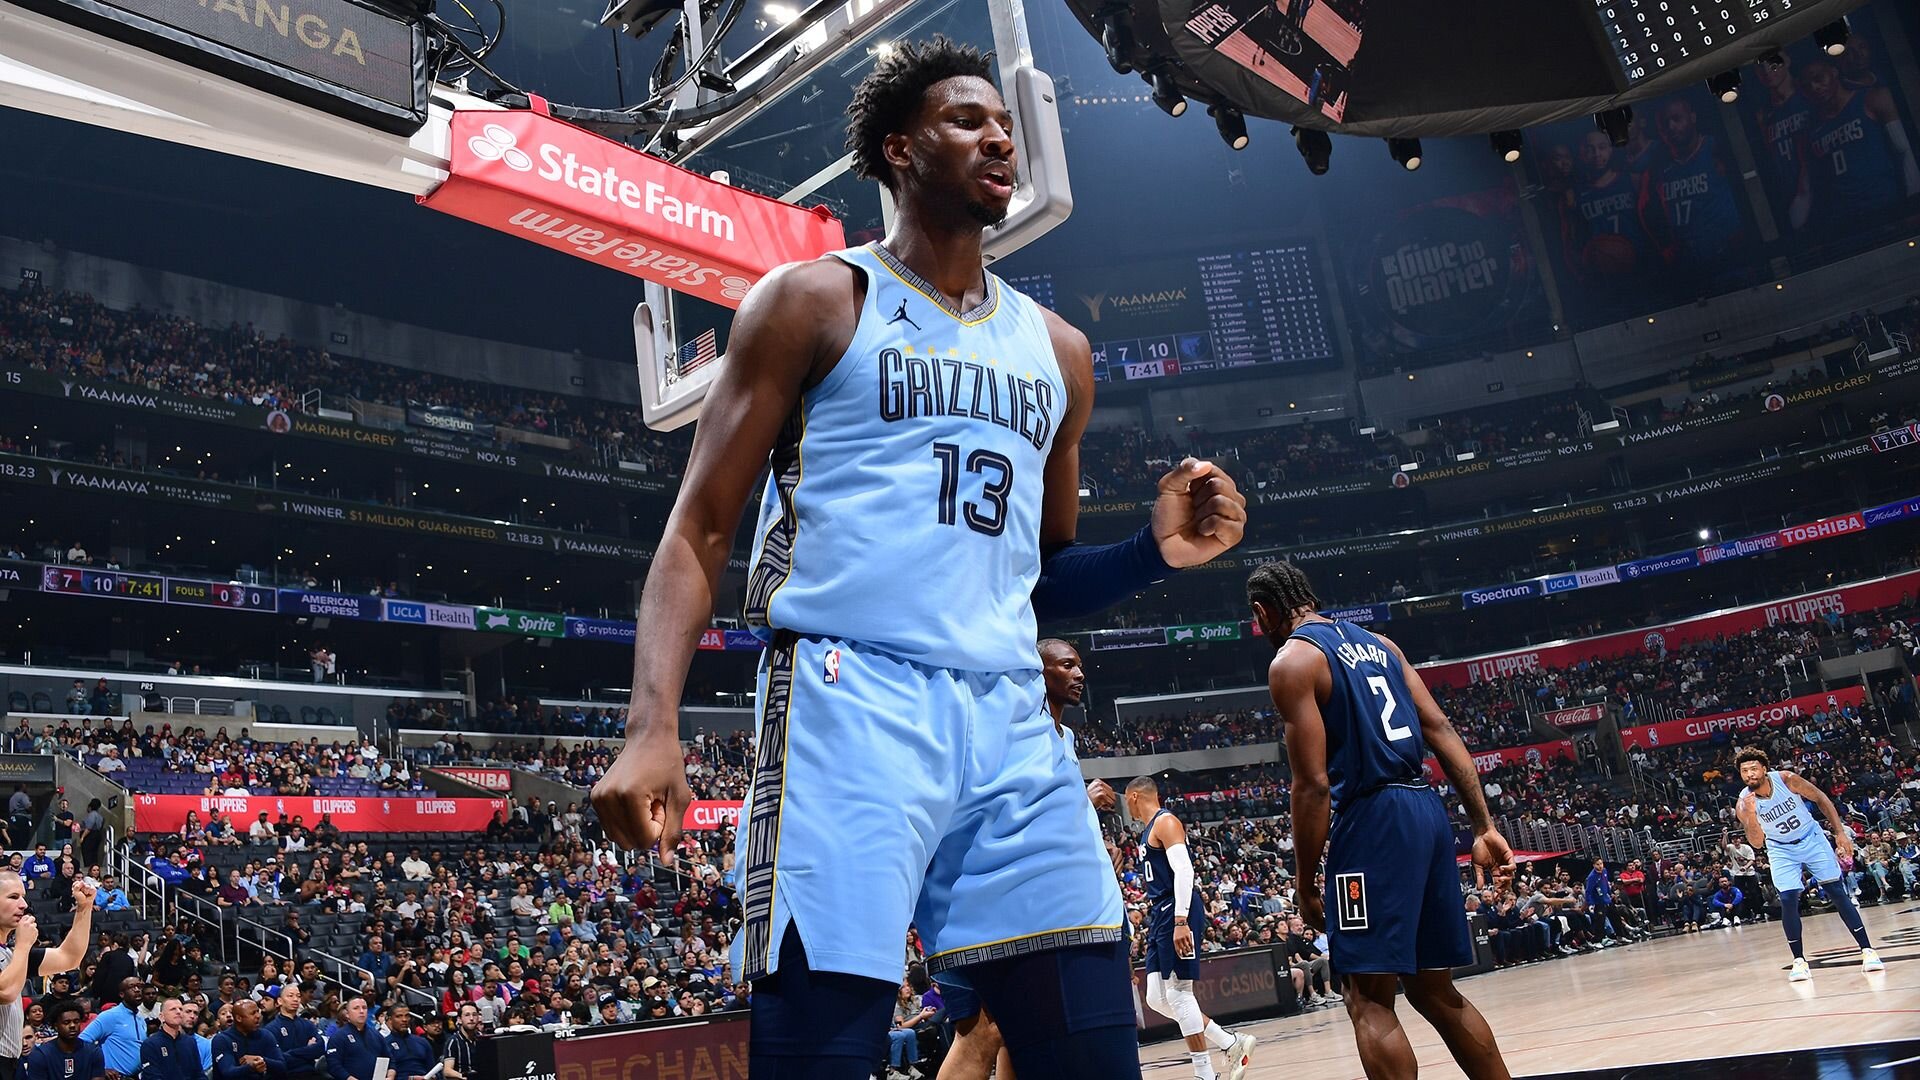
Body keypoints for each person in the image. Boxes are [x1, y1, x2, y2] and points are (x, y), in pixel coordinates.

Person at [587, 35, 1246, 1078]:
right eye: (966, 119)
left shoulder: (1060, 354)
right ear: (899, 149)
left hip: (1009, 719)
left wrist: (1154, 553)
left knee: (1090, 1049)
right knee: (822, 1054)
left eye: (1004, 124)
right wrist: (650, 723)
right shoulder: (813, 302)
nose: (998, 136)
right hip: (847, 703)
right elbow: (700, 527)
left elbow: (1038, 579)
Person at [1253, 561, 1514, 1080]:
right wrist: (1483, 825)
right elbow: (1439, 727)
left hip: (1373, 823)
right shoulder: (1383, 646)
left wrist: (1305, 882)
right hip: (1426, 809)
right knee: (1435, 989)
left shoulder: (1293, 662)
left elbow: (1312, 785)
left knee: (1367, 996)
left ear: (1263, 613)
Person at [936, 638, 1123, 1080]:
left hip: (1032, 910)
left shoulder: (1067, 737)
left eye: (1079, 666)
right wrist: (1082, 794)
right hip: (978, 905)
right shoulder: (1010, 731)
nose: (1078, 674)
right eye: (1065, 665)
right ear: (1036, 673)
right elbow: (1006, 808)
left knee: (1013, 1031)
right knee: (981, 1032)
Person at [1123, 778, 1255, 1080]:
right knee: (1157, 998)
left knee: (1180, 993)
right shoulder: (1147, 830)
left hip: (1176, 909)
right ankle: (1230, 1042)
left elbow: (1184, 870)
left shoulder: (1165, 821)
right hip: (1161, 912)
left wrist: (1181, 921)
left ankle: (1205, 1074)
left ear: (1133, 796)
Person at [1733, 747, 1883, 982]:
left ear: (1764, 768)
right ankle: (1799, 961)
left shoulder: (1786, 780)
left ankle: (1867, 950)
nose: (1750, 774)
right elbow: (1756, 842)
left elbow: (1821, 798)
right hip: (1780, 847)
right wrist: (1752, 815)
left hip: (1811, 838)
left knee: (1836, 890)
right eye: (1744, 771)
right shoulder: (1744, 803)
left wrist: (1840, 833)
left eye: (1754, 768)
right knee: (1788, 898)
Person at [0, 874, 96, 1080]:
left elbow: (69, 957)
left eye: (23, 897)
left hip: (10, 1061)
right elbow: (5, 992)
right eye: (13, 897)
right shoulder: (18, 951)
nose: (23, 904)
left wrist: (84, 908)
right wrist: (23, 945)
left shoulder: (11, 953)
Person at [77, 978, 145, 1079]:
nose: (137, 990)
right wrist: (99, 1069)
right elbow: (82, 1041)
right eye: (132, 987)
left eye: (139, 986)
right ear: (122, 994)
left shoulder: (141, 1018)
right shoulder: (110, 1015)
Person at [24, 1001, 101, 1080]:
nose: (72, 1026)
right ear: (56, 1026)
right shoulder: (40, 1055)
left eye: (76, 1021)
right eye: (66, 1022)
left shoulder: (93, 1051)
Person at [262, 986, 324, 1080]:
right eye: (290, 996)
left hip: (310, 1073)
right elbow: (279, 1060)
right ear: (279, 1001)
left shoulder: (308, 1024)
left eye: (298, 996)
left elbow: (320, 1048)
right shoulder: (270, 1029)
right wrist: (307, 1050)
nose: (295, 999)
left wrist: (290, 1053)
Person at [211, 1000, 283, 1080]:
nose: (258, 1016)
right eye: (253, 1013)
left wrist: (261, 1060)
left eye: (257, 1011)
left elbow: (282, 1066)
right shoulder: (222, 1040)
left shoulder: (266, 1035)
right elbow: (228, 1072)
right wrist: (251, 1067)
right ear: (239, 1018)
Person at [324, 996, 391, 1080]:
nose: (361, 1011)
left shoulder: (376, 1034)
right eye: (356, 1008)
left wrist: (390, 1076)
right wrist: (349, 1078)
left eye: (364, 1008)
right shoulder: (338, 1037)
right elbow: (333, 1065)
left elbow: (390, 1058)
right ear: (347, 1014)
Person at [138, 999, 198, 1080]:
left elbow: (198, 1073)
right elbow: (152, 1076)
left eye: (180, 1009)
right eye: (173, 1009)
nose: (178, 1012)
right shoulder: (150, 1044)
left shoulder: (190, 1042)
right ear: (161, 1017)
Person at [382, 1006, 434, 1080]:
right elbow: (383, 1076)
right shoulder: (384, 1044)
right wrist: (410, 1078)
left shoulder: (422, 1042)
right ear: (390, 1020)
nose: (404, 1020)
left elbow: (432, 1068)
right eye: (399, 1016)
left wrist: (433, 1076)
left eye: (407, 1016)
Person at [440, 1004, 480, 1080]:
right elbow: (447, 1071)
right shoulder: (453, 1041)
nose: (471, 1018)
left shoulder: (482, 1039)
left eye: (474, 1015)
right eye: (467, 1015)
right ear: (459, 1020)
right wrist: (464, 1077)